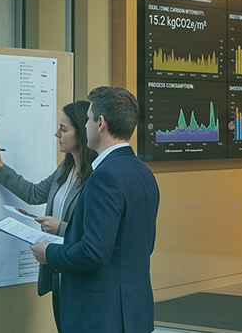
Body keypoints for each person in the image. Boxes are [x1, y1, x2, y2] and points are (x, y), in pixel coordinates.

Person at [31, 86, 160, 333]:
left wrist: (49, 254)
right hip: (133, 311)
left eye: (89, 119)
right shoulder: (143, 172)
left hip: (99, 315)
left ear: (101, 123)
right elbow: (143, 244)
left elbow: (93, 252)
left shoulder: (104, 177)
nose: (86, 125)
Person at [0, 99, 94, 332]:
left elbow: (93, 233)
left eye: (63, 129)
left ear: (81, 133)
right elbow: (33, 193)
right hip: (58, 271)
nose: (56, 134)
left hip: (79, 274)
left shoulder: (97, 178)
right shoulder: (65, 168)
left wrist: (61, 227)